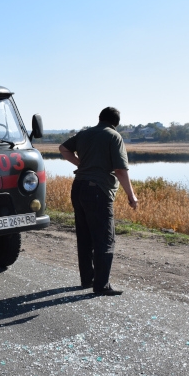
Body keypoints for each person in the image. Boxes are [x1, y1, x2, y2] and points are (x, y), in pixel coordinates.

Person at [59, 107, 139, 296]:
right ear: (116, 123)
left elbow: (63, 148)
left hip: (78, 187)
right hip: (97, 191)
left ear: (99, 118)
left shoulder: (85, 133)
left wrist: (81, 164)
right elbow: (120, 170)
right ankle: (101, 285)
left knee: (85, 236)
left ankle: (87, 279)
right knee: (105, 239)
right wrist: (131, 195)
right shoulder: (113, 136)